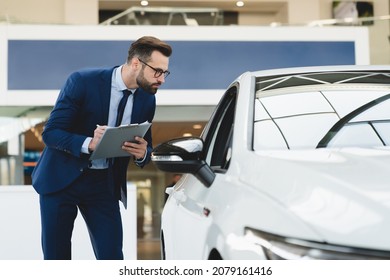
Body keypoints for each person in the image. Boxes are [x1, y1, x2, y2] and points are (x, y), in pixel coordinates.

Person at [31, 36, 172, 260]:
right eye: (157, 71)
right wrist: (89, 143)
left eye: (165, 73)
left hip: (103, 185)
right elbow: (51, 133)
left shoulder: (147, 99)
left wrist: (143, 152)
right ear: (136, 63)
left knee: (112, 257)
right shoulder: (82, 81)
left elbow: (146, 145)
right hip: (60, 181)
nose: (162, 79)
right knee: (56, 259)